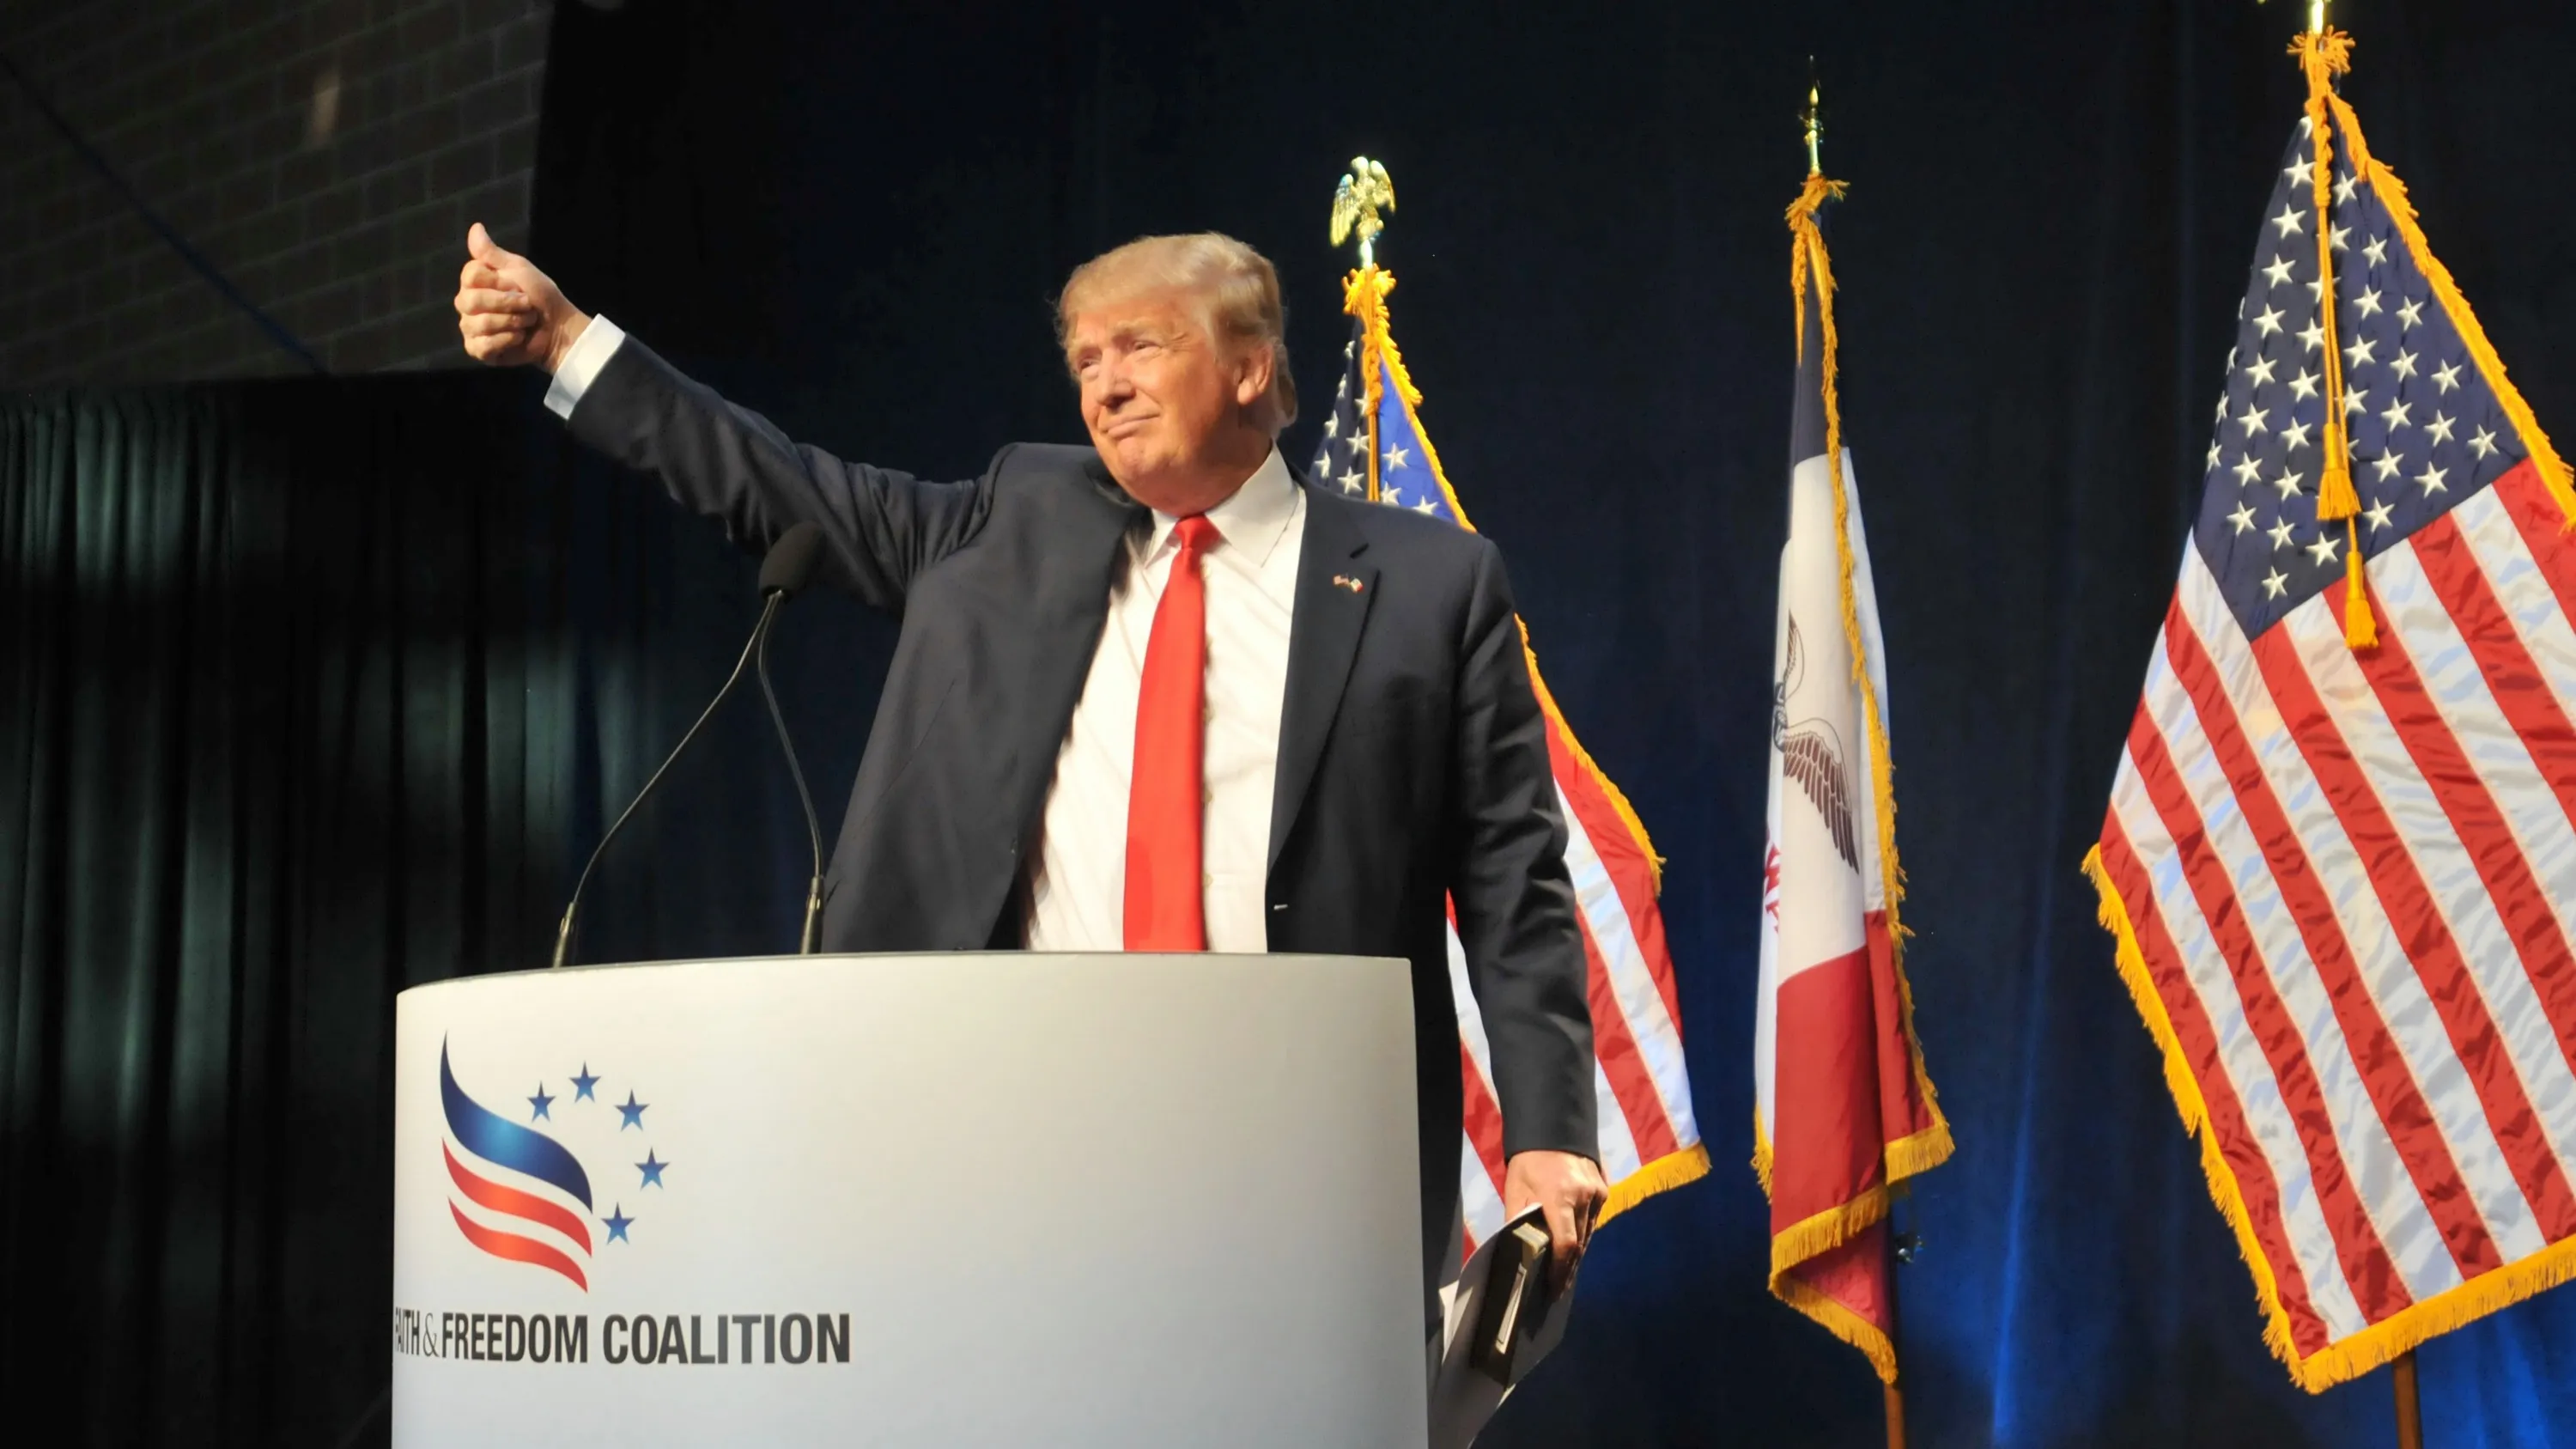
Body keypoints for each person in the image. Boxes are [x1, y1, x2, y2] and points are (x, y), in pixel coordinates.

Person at [453, 222, 1607, 1309]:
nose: (1105, 386)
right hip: (1022, 1124)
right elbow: (778, 482)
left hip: (1302, 1141)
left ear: (1251, 368)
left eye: (1140, 347)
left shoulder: (1429, 584)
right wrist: (567, 342)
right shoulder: (1013, 521)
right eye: (1086, 360)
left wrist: (1549, 1131)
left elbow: (1513, 878)